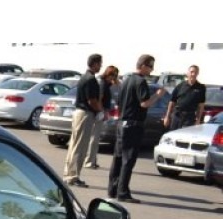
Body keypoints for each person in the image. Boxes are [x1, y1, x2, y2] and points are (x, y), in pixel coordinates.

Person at [107, 54, 166, 204]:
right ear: (143, 66)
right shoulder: (140, 82)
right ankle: (123, 192)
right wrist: (157, 96)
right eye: (150, 66)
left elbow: (119, 101)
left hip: (122, 123)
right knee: (128, 159)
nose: (152, 70)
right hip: (133, 124)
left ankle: (112, 189)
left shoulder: (126, 81)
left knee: (119, 157)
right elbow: (144, 103)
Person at [63, 53, 104, 186]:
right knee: (81, 146)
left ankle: (69, 174)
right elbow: (92, 100)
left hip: (79, 113)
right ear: (94, 63)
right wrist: (100, 111)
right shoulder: (90, 79)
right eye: (100, 63)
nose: (101, 66)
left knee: (75, 145)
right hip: (85, 113)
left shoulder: (84, 77)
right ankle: (73, 177)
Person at [85, 64, 119, 170]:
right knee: (94, 138)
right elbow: (100, 98)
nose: (114, 79)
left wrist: (115, 81)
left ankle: (93, 160)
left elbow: (118, 84)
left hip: (102, 110)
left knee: (95, 138)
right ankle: (90, 161)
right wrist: (101, 112)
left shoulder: (106, 83)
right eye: (113, 76)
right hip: (100, 111)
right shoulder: (103, 84)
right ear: (109, 75)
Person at [163, 65, 207, 130]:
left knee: (186, 136)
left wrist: (198, 119)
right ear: (188, 73)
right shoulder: (180, 85)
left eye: (195, 72)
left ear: (198, 73)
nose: (193, 74)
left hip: (189, 117)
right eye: (192, 72)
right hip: (177, 115)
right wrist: (167, 117)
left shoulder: (201, 88)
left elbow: (201, 105)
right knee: (173, 134)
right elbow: (172, 102)